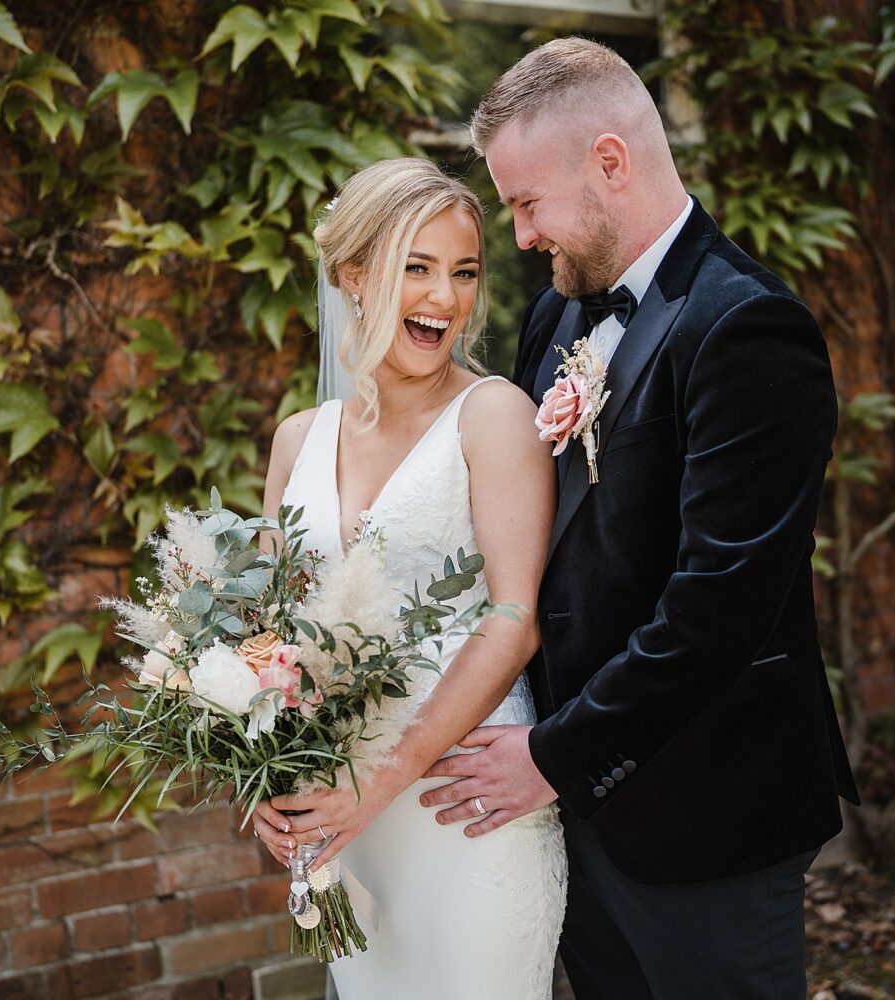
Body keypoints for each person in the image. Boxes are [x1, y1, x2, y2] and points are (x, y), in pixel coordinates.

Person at [418, 38, 860, 999]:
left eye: (528, 204)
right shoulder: (557, 318)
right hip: (575, 817)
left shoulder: (749, 329)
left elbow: (719, 610)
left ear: (609, 163)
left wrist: (549, 757)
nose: (523, 237)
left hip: (708, 811)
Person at [248, 158, 567, 998]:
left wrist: (378, 782)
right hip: (346, 831)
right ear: (354, 276)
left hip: (460, 803)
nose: (444, 298)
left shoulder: (494, 414)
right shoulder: (296, 439)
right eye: (415, 268)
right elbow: (268, 640)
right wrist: (266, 780)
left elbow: (514, 619)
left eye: (463, 272)